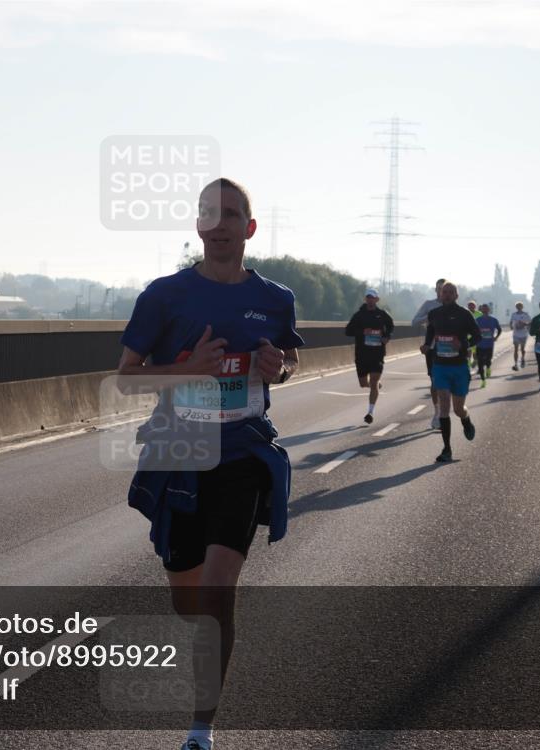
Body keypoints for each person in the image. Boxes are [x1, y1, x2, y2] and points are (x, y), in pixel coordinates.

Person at [118, 178, 303, 750]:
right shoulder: (164, 296)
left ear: (249, 227)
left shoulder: (276, 298)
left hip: (244, 450)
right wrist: (191, 368)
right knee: (188, 597)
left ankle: (201, 728)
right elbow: (126, 378)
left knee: (220, 586)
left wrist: (278, 368)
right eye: (208, 214)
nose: (219, 224)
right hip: (178, 451)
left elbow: (287, 359)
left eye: (231, 214)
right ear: (198, 228)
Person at [419, 281, 481, 463]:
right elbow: (430, 333)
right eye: (444, 292)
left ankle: (466, 419)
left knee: (458, 408)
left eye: (450, 292)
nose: (446, 295)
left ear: (456, 295)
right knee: (444, 405)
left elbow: (477, 336)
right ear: (439, 294)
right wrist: (425, 345)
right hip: (440, 366)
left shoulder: (464, 314)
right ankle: (447, 449)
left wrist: (463, 344)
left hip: (459, 366)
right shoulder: (434, 314)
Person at [344, 288, 394, 424]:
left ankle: (370, 412)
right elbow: (348, 331)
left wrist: (387, 337)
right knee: (363, 383)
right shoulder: (359, 315)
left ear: (377, 300)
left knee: (373, 382)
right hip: (361, 354)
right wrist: (361, 332)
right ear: (365, 299)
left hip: (377, 354)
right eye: (368, 297)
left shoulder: (382, 315)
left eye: (372, 298)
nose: (370, 300)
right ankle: (376, 385)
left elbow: (391, 327)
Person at [412, 279, 446, 429]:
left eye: (445, 289)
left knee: (445, 382)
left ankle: (444, 411)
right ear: (436, 290)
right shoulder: (429, 304)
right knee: (434, 382)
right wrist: (428, 317)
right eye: (440, 289)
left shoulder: (454, 307)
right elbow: (414, 322)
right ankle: (437, 413)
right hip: (432, 348)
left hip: (449, 349)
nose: (442, 292)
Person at [474, 303, 502, 387]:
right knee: (480, 363)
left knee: (488, 361)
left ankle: (488, 368)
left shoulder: (493, 320)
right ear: (481, 310)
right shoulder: (477, 320)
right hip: (479, 344)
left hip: (489, 344)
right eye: (483, 309)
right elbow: (473, 330)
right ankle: (483, 380)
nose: (485, 310)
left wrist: (496, 337)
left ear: (489, 310)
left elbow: (499, 329)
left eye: (486, 309)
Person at [509, 302, 531, 370]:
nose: (519, 307)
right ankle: (515, 364)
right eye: (517, 306)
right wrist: (511, 327)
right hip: (516, 334)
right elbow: (511, 322)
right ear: (516, 307)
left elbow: (530, 322)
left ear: (522, 307)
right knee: (515, 349)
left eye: (520, 306)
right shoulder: (514, 315)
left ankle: (523, 358)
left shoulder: (525, 314)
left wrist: (524, 324)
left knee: (522, 349)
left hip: (523, 334)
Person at [466, 300, 482, 369]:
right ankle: (468, 366)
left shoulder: (479, 314)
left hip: (475, 336)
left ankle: (475, 362)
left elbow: (482, 323)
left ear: (475, 306)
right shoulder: (465, 313)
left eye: (472, 305)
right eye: (470, 306)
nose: (471, 307)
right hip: (467, 336)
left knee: (475, 353)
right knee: (468, 353)